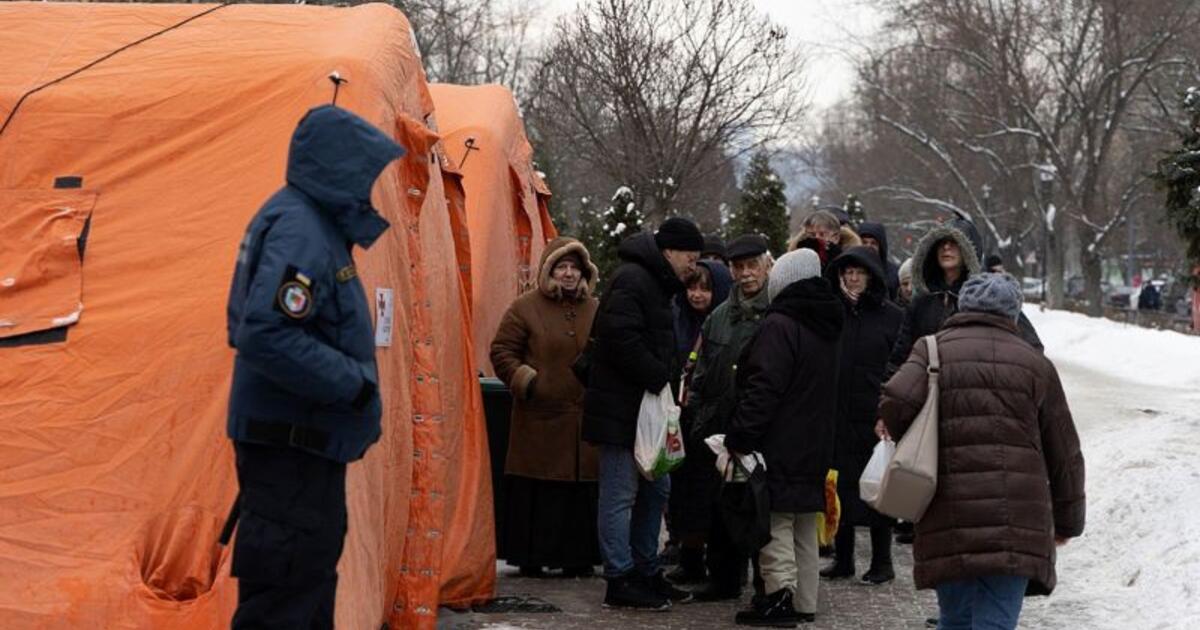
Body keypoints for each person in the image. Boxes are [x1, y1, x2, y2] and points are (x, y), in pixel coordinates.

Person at [224, 105, 404, 629]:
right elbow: (266, 331)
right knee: (287, 599)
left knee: (302, 589)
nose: (368, 186)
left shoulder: (311, 225)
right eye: (362, 171)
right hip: (291, 452)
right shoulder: (301, 229)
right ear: (336, 165)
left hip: (301, 450)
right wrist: (354, 387)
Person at [878, 273, 1085, 630]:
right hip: (1016, 521)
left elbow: (895, 401)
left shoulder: (932, 350)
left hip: (947, 512)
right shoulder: (1036, 364)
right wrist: (1068, 521)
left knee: (955, 620)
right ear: (1013, 313)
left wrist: (916, 435)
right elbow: (1065, 453)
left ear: (963, 306)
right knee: (996, 623)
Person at [583, 217, 704, 610]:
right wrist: (658, 375)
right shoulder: (634, 279)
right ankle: (619, 577)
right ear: (668, 251)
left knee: (656, 488)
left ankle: (645, 569)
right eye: (690, 256)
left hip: (645, 408)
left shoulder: (657, 282)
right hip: (622, 408)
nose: (693, 265)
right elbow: (620, 338)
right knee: (620, 494)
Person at [726, 248, 843, 626]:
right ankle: (805, 601)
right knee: (805, 525)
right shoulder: (828, 324)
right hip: (815, 442)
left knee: (774, 523)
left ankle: (779, 598)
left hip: (779, 442)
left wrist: (741, 434)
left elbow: (764, 387)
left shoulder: (780, 324)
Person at [489, 237, 603, 578]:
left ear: (585, 272)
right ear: (548, 271)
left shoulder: (595, 309)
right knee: (540, 491)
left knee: (578, 492)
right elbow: (502, 351)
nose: (568, 274)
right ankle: (533, 556)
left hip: (583, 423)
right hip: (538, 421)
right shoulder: (524, 307)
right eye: (560, 267)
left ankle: (577, 558)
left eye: (574, 268)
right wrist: (527, 381)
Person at [682, 234, 774, 602]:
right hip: (718, 424)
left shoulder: (776, 313)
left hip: (761, 424)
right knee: (721, 504)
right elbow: (701, 370)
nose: (746, 273)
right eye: (739, 267)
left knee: (760, 506)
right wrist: (700, 415)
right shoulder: (719, 316)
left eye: (753, 265)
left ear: (767, 266)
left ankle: (766, 582)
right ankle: (723, 577)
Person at [821, 246, 903, 585]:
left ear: (872, 276)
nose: (853, 278)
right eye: (848, 272)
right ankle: (843, 558)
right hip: (838, 412)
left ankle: (882, 561)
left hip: (875, 413)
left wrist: (890, 407)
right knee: (838, 485)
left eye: (859, 272)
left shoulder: (891, 316)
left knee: (876, 486)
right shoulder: (833, 312)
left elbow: (899, 363)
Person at [888, 220, 1042, 376]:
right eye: (941, 242)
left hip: (973, 384)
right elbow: (901, 356)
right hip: (929, 386)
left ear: (969, 250)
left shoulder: (988, 297)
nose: (946, 247)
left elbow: (1032, 348)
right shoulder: (922, 301)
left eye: (954, 242)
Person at [667, 259, 732, 584]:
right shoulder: (677, 317)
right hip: (681, 415)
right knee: (684, 490)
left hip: (713, 418)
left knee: (712, 493)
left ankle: (719, 563)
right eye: (692, 287)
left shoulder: (725, 322)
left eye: (704, 289)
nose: (696, 295)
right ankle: (688, 555)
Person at [787, 210, 861, 266]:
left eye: (822, 234)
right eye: (812, 234)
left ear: (836, 238)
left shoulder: (851, 260)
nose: (817, 238)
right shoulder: (797, 257)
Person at [857, 222, 901, 301]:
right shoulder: (849, 270)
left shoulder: (894, 274)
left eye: (873, 243)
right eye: (864, 242)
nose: (868, 246)